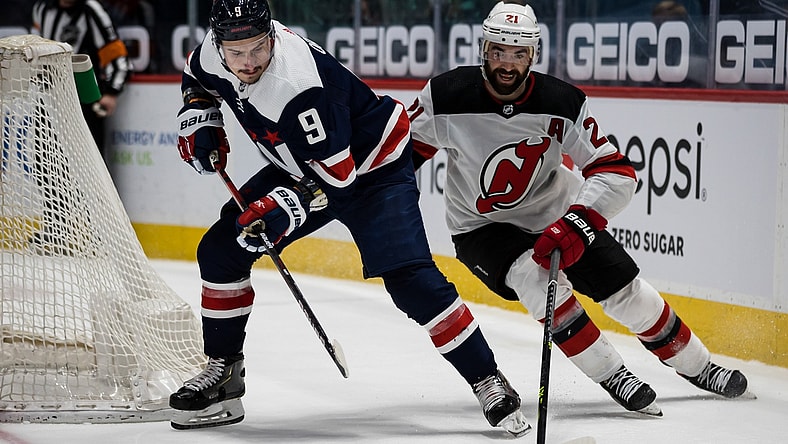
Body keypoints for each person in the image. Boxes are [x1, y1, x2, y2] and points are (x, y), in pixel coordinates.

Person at [168, 0, 529, 436]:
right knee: (221, 250)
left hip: (373, 168)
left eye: (258, 50)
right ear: (220, 43)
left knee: (411, 282)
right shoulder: (214, 50)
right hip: (306, 163)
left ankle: (487, 379)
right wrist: (200, 116)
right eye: (236, 53)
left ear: (272, 37)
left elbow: (335, 182)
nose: (247, 63)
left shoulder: (298, 86)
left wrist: (283, 208)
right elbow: (196, 76)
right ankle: (224, 373)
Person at [408, 0, 749, 417]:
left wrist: (578, 222)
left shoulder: (562, 101)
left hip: (555, 212)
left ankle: (698, 365)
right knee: (535, 280)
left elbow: (617, 171)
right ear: (483, 49)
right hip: (481, 227)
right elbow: (402, 156)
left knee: (629, 294)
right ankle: (612, 374)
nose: (507, 64)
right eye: (498, 51)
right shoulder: (445, 95)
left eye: (518, 53)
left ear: (534, 54)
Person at [32, 0, 131, 159]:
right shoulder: (42, 8)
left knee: (87, 162)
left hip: (83, 99)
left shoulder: (91, 9)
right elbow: (34, 49)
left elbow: (116, 55)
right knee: (45, 164)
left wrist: (112, 91)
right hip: (47, 99)